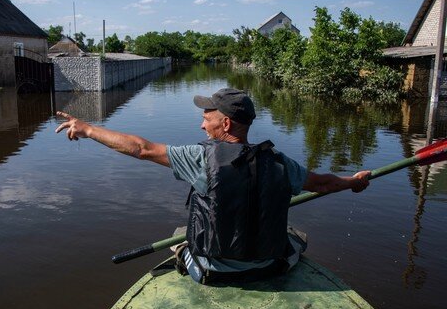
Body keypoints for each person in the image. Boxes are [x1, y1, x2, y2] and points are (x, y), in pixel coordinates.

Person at [55, 88, 370, 284]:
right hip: (268, 267)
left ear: (226, 124)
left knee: (182, 234)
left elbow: (142, 148)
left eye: (207, 118)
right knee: (295, 236)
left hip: (211, 272)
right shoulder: (279, 162)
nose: (201, 124)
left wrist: (89, 130)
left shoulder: (199, 158)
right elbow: (324, 184)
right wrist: (353, 182)